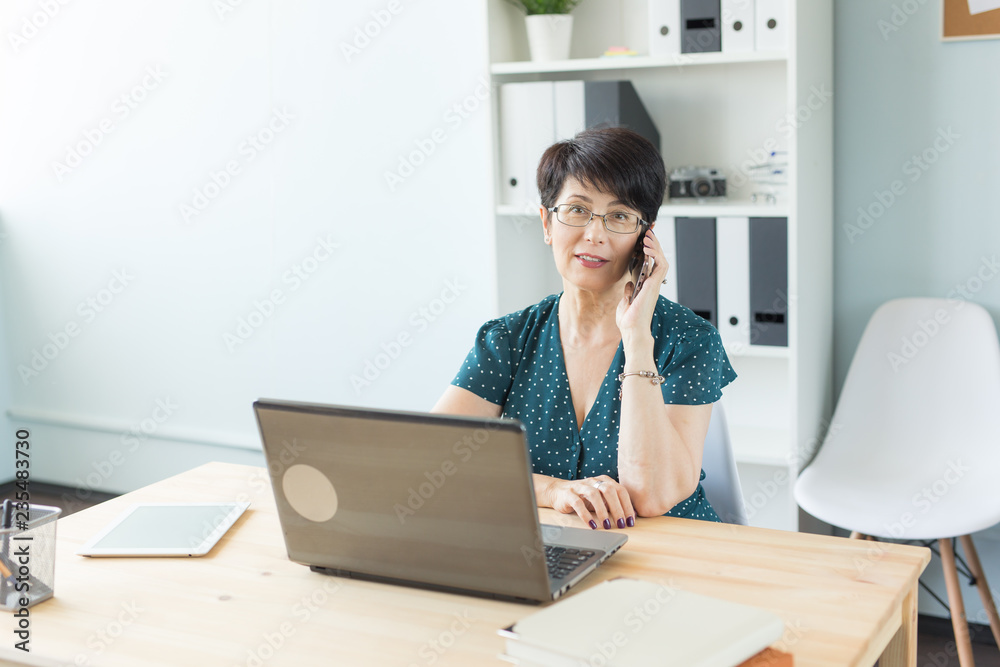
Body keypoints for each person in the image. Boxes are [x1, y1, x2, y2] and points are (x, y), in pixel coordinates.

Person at [432, 127, 736, 530]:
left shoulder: (690, 340)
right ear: (546, 223)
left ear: (646, 236)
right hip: (550, 550)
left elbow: (652, 495)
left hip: (675, 551)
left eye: (620, 216)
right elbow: (435, 461)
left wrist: (638, 338)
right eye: (577, 210)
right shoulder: (507, 339)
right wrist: (553, 491)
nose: (595, 234)